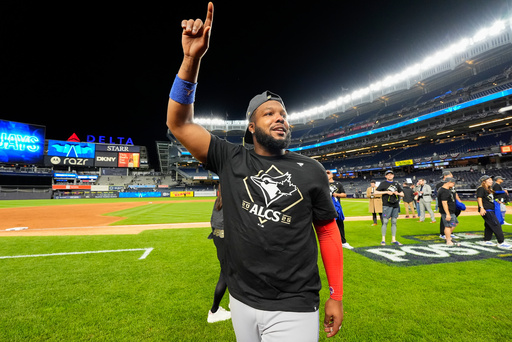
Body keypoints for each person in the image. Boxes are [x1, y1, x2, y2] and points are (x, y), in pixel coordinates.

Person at [167, 4, 344, 340]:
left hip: (295, 305)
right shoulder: (230, 157)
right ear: (250, 128)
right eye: (269, 114)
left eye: (283, 113)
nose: (280, 118)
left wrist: (336, 295)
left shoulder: (311, 170)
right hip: (242, 300)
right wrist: (192, 60)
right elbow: (179, 123)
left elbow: (327, 232)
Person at [207, 185, 232, 323]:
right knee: (226, 274)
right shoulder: (231, 200)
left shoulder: (218, 200)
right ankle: (214, 311)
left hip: (218, 237)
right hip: (227, 238)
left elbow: (212, 221)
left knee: (230, 272)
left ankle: (233, 303)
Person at [476, 175, 511, 249]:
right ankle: (501, 242)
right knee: (496, 224)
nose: (491, 181)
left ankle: (487, 240)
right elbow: (479, 198)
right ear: (484, 181)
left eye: (491, 180)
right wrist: (481, 208)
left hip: (490, 209)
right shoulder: (481, 188)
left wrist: (497, 201)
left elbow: (489, 199)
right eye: (489, 180)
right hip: (486, 209)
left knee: (489, 225)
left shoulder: (488, 189)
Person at [374, 170, 404, 245]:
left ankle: (393, 239)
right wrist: (386, 192)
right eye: (388, 175)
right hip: (387, 205)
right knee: (385, 222)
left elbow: (402, 194)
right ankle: (383, 239)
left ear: (393, 175)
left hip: (395, 204)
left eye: (391, 174)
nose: (390, 176)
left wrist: (398, 193)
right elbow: (375, 192)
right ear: (386, 176)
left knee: (394, 222)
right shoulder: (383, 183)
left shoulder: (396, 183)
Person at [327, 170, 353, 249]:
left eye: (328, 173)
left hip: (337, 207)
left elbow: (344, 194)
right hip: (327, 208)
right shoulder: (322, 184)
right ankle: (330, 243)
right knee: (328, 226)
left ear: (332, 175)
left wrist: (336, 194)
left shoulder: (338, 184)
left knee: (340, 224)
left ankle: (343, 241)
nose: (326, 175)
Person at [435, 171, 461, 239]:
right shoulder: (441, 186)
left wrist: (459, 201)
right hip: (446, 206)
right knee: (446, 221)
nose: (452, 176)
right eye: (450, 175)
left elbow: (455, 193)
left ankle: (449, 233)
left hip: (452, 205)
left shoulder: (450, 185)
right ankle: (444, 234)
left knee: (454, 222)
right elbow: (443, 200)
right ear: (446, 176)